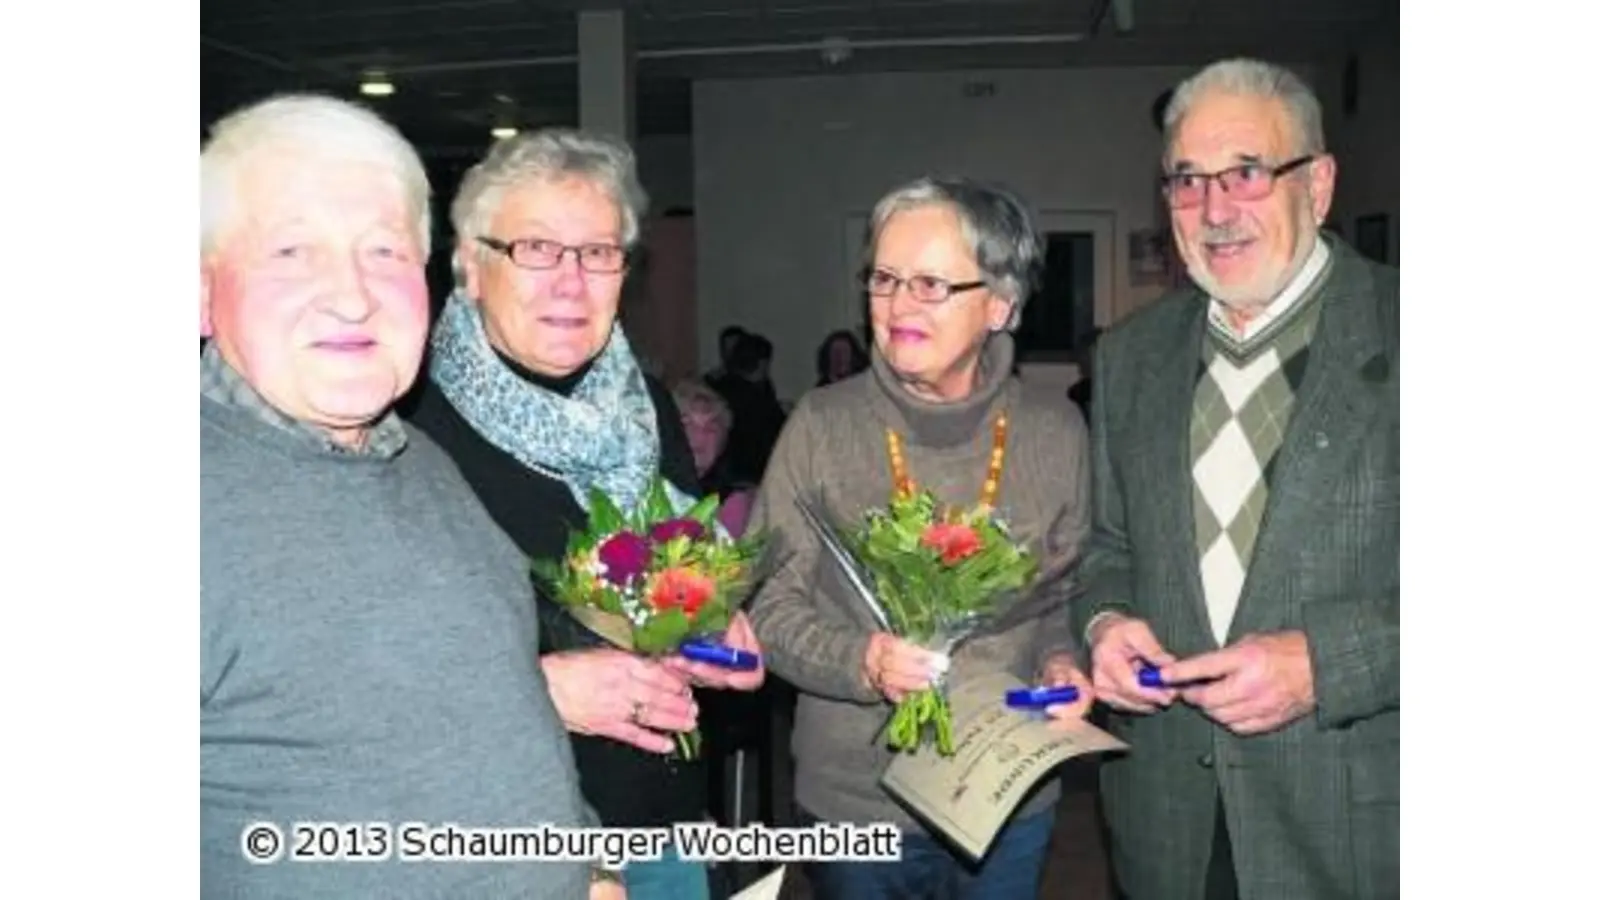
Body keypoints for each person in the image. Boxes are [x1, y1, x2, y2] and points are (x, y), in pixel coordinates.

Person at [200, 95, 615, 899]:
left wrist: (589, 867)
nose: (353, 296)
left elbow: (499, 723)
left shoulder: (420, 464)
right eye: (292, 251)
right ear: (199, 287)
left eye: (384, 252)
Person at [403, 127, 765, 900]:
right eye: (536, 248)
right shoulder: (405, 426)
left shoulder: (647, 409)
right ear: (470, 263)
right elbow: (345, 679)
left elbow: (668, 579)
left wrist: (709, 628)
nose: (571, 280)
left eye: (598, 252)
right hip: (505, 838)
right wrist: (537, 690)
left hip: (664, 815)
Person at [1073, 58, 1398, 900]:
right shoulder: (1130, 357)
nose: (1216, 210)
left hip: (1354, 821)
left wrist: (1329, 662)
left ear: (1318, 185)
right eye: (1188, 181)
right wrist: (1106, 622)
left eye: (1248, 172)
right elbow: (1107, 547)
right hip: (1165, 819)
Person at [748, 176, 1096, 899]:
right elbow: (767, 607)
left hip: (1005, 790)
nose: (899, 304)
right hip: (857, 796)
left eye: (932, 283)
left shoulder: (1055, 431)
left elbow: (1062, 594)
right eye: (884, 278)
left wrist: (1066, 661)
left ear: (1000, 304)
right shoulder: (821, 424)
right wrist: (861, 660)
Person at [670, 378, 756, 537]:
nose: (699, 435)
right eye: (687, 423)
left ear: (724, 440)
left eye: (711, 427)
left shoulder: (736, 501)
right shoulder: (650, 489)